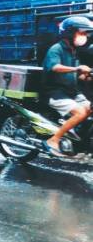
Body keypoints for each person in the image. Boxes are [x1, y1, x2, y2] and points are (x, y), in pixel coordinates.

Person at [42, 16, 93, 156]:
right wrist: (77, 69)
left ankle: (74, 131)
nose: (84, 37)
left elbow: (77, 75)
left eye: (85, 34)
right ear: (70, 33)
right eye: (81, 33)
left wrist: (86, 75)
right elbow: (55, 67)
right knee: (81, 112)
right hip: (55, 92)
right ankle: (53, 140)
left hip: (71, 92)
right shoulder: (56, 49)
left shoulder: (73, 51)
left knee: (90, 108)